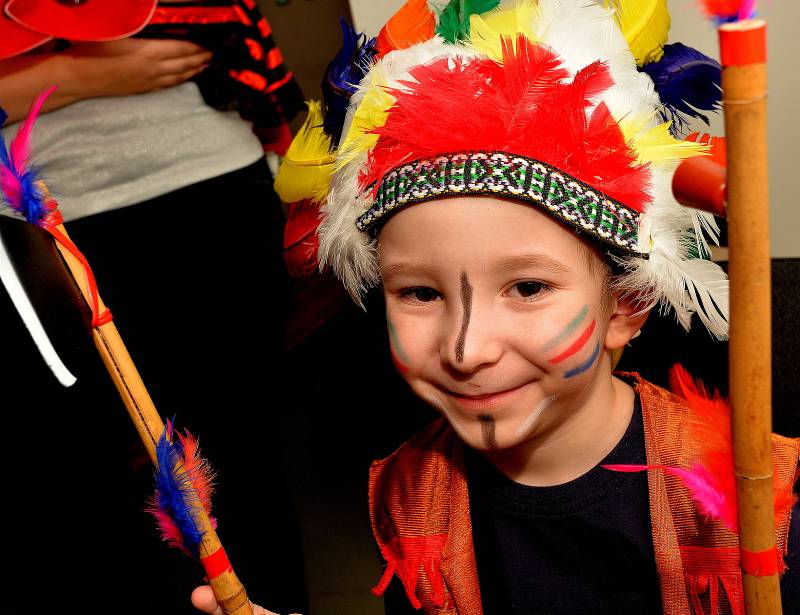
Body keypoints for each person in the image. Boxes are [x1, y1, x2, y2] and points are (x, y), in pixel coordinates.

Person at [192, 1, 799, 613]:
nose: (466, 349)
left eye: (528, 287)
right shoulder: (404, 494)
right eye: (420, 293)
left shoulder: (762, 504)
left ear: (628, 303)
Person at [0, 7, 307, 614]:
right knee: (83, 488)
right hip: (40, 232)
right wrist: (70, 75)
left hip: (215, 195)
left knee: (241, 466)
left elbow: (230, 49)